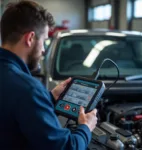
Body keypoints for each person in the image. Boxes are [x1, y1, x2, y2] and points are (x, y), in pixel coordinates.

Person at [0, 1, 98, 150]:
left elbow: (14, 111)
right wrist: (85, 127)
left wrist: (49, 97)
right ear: (30, 38)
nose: (44, 50)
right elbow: (65, 147)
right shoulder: (28, 89)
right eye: (44, 41)